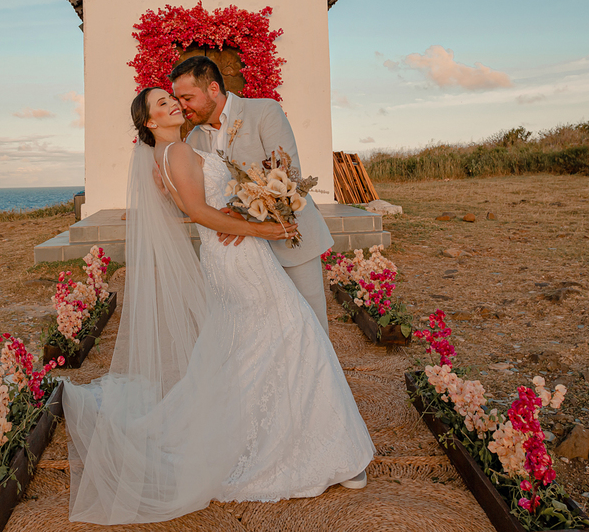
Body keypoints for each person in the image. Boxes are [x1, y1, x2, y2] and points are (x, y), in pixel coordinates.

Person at [61, 87, 374, 525]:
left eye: (173, 99)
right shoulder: (178, 152)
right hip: (239, 257)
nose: (173, 104)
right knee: (295, 331)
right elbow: (199, 212)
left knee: (255, 344)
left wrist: (249, 210)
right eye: (162, 104)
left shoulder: (168, 156)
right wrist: (264, 230)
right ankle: (327, 454)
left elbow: (197, 205)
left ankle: (294, 437)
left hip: (229, 255)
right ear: (149, 122)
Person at [172, 56, 334, 331]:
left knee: (310, 323)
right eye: (178, 99)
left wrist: (240, 213)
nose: (182, 106)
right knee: (263, 330)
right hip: (242, 254)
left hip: (287, 233)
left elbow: (287, 174)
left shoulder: (264, 111)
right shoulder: (193, 140)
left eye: (187, 98)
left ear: (213, 89)